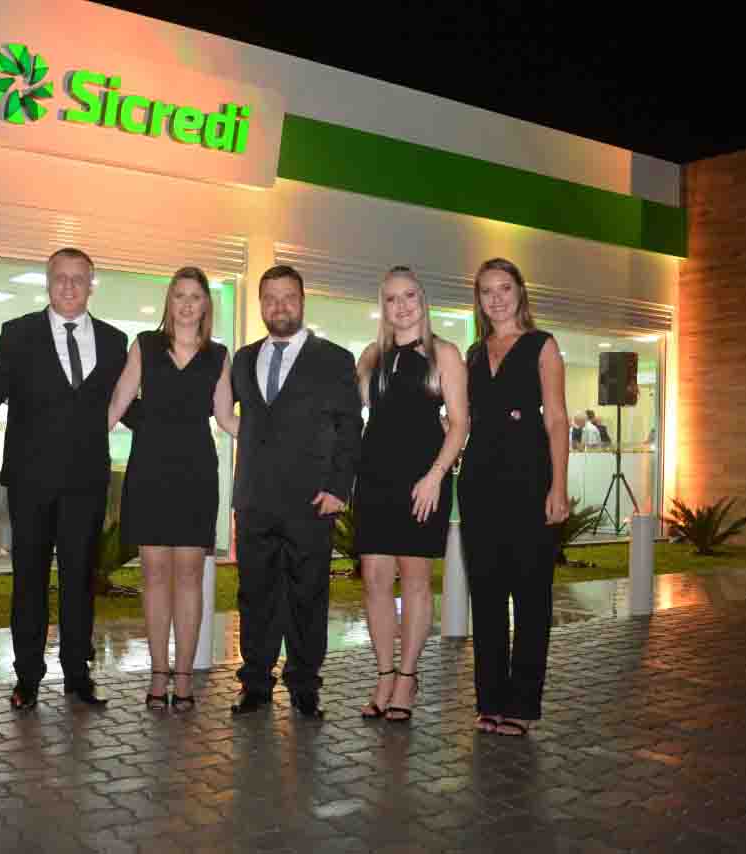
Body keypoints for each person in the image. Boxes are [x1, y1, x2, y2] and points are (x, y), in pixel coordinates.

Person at [0, 247, 130, 710]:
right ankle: (27, 677)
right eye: (60, 278)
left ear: (91, 284)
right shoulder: (17, 334)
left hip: (86, 483)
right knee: (28, 580)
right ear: (47, 283)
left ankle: (77, 675)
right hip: (30, 482)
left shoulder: (114, 341)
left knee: (79, 580)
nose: (69, 286)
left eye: (78, 278)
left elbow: (129, 404)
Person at [228, 265, 362, 718]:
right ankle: (255, 683)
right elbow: (228, 413)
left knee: (308, 595)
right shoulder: (243, 359)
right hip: (254, 500)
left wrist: (338, 488)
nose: (279, 306)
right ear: (260, 304)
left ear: (302, 301)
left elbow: (350, 428)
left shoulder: (335, 359)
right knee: (255, 594)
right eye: (270, 298)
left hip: (311, 501)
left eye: (288, 297)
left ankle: (305, 684)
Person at [108, 267, 240, 712]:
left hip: (196, 474)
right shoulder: (145, 345)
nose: (186, 304)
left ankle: (184, 676)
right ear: (170, 302)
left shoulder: (218, 356)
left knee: (189, 575)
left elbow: (227, 418)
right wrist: (80, 444)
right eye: (179, 296)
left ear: (205, 306)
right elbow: (118, 402)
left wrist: (276, 436)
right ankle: (158, 672)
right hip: (149, 471)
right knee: (154, 574)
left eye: (195, 297)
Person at [458, 258, 570, 737]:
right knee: (485, 595)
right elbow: (463, 419)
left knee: (530, 596)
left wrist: (558, 486)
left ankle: (522, 704)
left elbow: (557, 419)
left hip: (529, 480)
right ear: (479, 300)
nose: (497, 299)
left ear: (520, 292)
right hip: (479, 482)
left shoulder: (543, 345)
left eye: (504, 288)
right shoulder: (472, 353)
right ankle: (490, 701)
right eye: (487, 291)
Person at [352, 267, 468, 722]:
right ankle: (384, 674)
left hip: (423, 478)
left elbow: (459, 424)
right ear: (383, 306)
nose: (401, 306)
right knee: (374, 579)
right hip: (375, 476)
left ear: (423, 299)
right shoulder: (372, 356)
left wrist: (435, 476)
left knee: (415, 579)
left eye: (409, 296)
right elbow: (354, 412)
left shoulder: (445, 354)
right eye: (391, 299)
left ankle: (407, 677)